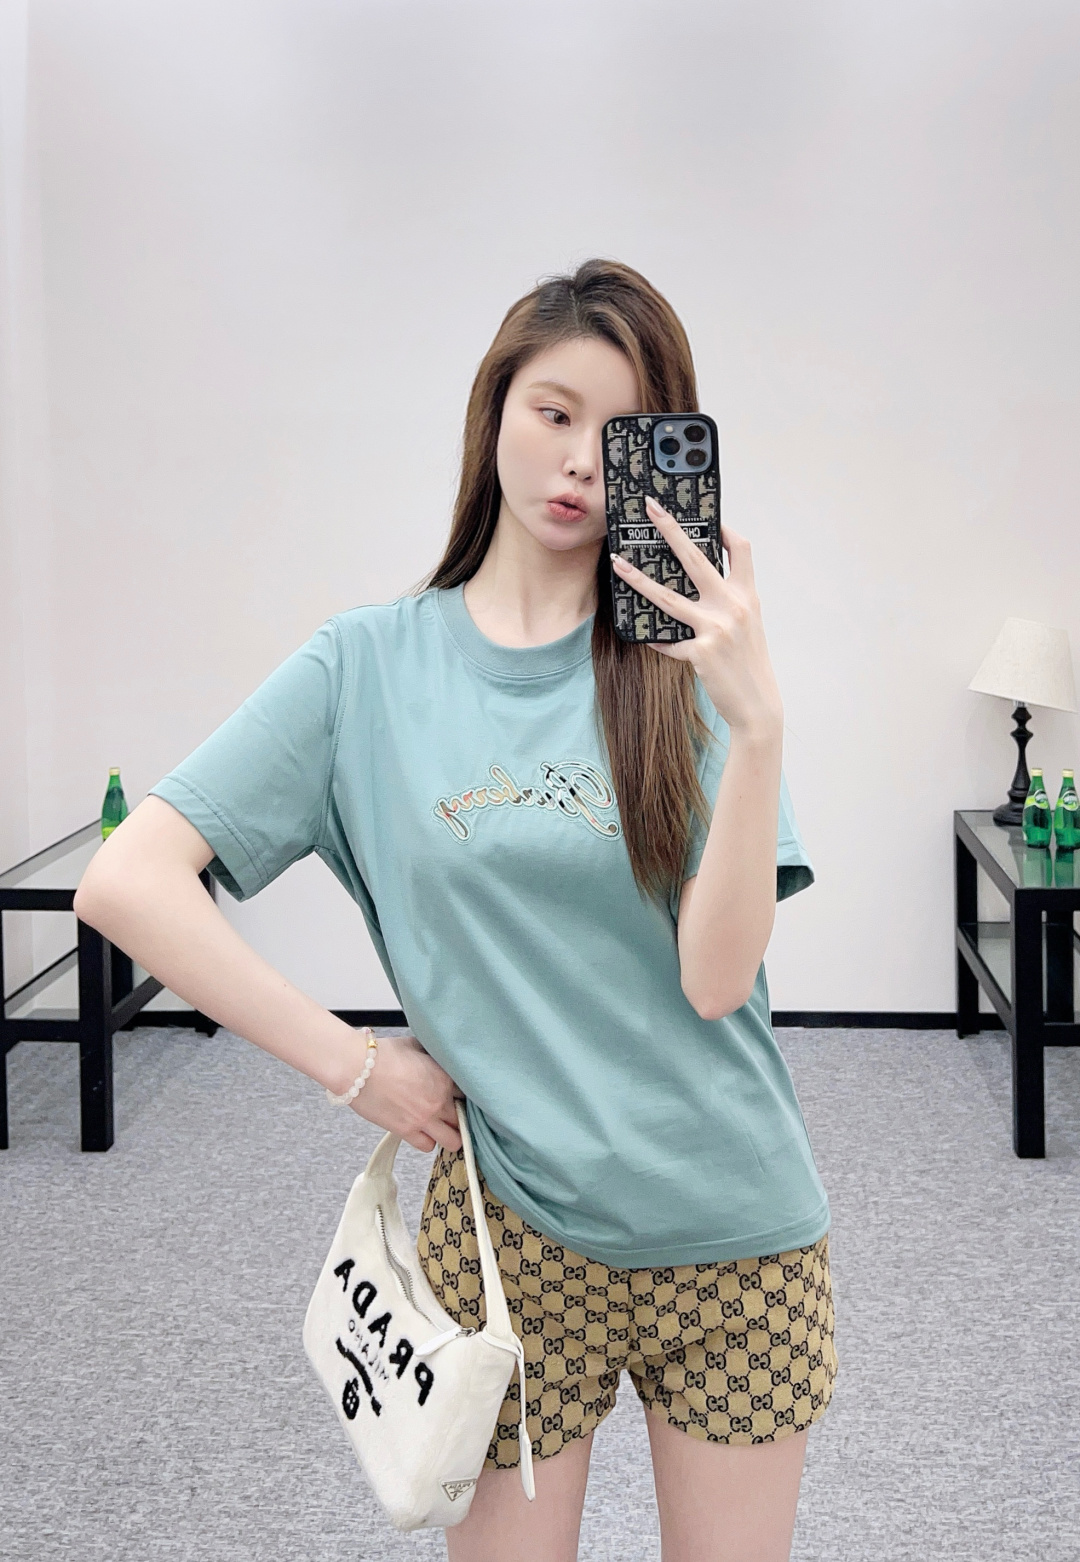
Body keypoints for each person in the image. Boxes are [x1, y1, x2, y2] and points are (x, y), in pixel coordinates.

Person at [74, 258, 837, 1562]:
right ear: (495, 411)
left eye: (620, 431)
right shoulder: (365, 668)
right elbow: (126, 881)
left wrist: (758, 726)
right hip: (510, 1233)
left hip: (735, 1229)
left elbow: (717, 980)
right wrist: (354, 1066)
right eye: (554, 411)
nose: (580, 460)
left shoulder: (689, 665)